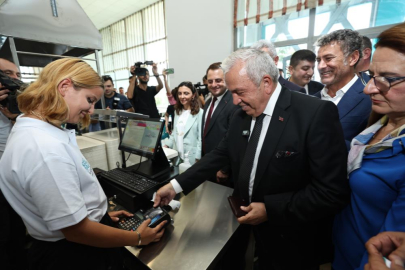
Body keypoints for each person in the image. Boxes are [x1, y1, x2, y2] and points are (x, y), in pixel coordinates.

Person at [155, 48, 349, 270]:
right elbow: (219, 154)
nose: (235, 101)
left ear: (266, 83)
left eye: (239, 92)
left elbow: (332, 192)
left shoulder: (314, 114)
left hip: (290, 236)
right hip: (245, 224)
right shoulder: (242, 115)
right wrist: (175, 185)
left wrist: (270, 209)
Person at [0, 58, 166, 270]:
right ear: (64, 86)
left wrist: (97, 215)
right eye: (89, 99)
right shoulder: (46, 150)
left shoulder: (33, 128)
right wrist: (138, 238)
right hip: (75, 254)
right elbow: (77, 231)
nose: (91, 109)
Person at [332, 23, 405, 270]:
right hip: (342, 253)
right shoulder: (378, 127)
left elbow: (388, 252)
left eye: (388, 79)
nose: (368, 88)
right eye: (373, 75)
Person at [314, 29, 371, 149]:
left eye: (328, 59)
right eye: (319, 60)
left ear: (353, 58)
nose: (320, 66)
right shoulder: (312, 99)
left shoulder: (370, 99)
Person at [202, 62, 238, 185]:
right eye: (210, 81)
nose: (214, 85)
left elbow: (234, 140)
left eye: (218, 80)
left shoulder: (234, 103)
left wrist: (224, 169)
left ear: (226, 79)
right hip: (209, 164)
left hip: (223, 169)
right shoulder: (208, 102)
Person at [162, 81, 203, 165]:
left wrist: (198, 157)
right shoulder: (177, 112)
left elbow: (200, 138)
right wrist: (166, 145)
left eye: (186, 93)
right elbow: (174, 133)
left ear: (193, 95)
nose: (182, 96)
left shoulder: (200, 113)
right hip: (177, 154)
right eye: (180, 93)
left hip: (191, 156)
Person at [0, 58, 20, 158]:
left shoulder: (17, 100)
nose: (16, 78)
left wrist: (14, 117)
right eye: (8, 73)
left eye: (18, 74)